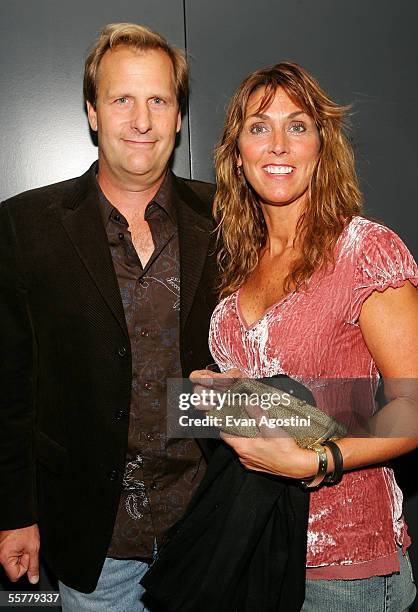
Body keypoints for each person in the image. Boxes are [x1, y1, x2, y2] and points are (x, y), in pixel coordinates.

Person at [0, 22, 217, 612]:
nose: (141, 121)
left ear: (178, 116)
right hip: (95, 544)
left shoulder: (227, 219)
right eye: (122, 99)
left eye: (158, 101)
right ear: (93, 112)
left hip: (208, 534)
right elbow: (10, 388)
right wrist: (15, 514)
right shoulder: (27, 226)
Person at [193, 62, 418, 610]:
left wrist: (318, 462)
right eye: (258, 126)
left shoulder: (363, 250)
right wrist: (217, 399)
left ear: (323, 145)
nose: (277, 145)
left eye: (297, 126)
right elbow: (289, 407)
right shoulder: (235, 268)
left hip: (345, 569)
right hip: (254, 548)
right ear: (236, 152)